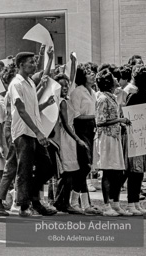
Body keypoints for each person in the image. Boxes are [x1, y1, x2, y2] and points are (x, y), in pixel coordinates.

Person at [0, 52, 57, 217]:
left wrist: (47, 59)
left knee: (43, 167)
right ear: (20, 65)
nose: (34, 65)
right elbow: (20, 110)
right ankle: (24, 205)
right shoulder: (16, 84)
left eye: (35, 62)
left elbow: (32, 108)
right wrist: (38, 132)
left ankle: (0, 201)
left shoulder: (30, 83)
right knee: (23, 170)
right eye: (30, 62)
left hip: (33, 133)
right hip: (23, 133)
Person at [93, 68, 131, 216]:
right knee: (108, 171)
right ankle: (106, 205)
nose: (117, 79)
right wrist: (120, 120)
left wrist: (119, 123)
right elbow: (100, 121)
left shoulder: (111, 97)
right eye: (113, 78)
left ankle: (115, 203)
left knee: (117, 172)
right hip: (106, 138)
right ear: (109, 82)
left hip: (114, 136)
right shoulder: (103, 99)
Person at [53, 73, 88, 214]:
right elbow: (66, 124)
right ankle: (62, 202)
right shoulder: (61, 102)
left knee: (69, 172)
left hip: (68, 137)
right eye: (62, 85)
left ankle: (61, 202)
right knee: (68, 172)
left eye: (67, 85)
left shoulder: (64, 100)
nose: (65, 87)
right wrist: (78, 139)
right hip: (66, 137)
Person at [69, 64, 101, 215]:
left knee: (86, 167)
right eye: (88, 73)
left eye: (93, 73)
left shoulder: (93, 92)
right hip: (81, 131)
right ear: (82, 76)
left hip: (91, 131)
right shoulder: (77, 92)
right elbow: (76, 116)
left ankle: (86, 204)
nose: (93, 75)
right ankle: (74, 201)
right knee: (84, 167)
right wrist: (96, 117)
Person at [124, 66, 146, 216]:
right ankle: (131, 204)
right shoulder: (134, 96)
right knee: (134, 172)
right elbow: (128, 116)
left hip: (144, 137)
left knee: (140, 172)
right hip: (134, 138)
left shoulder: (145, 95)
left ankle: (136, 203)